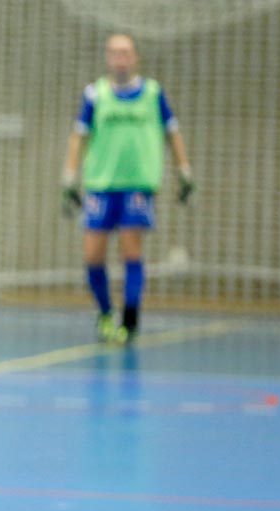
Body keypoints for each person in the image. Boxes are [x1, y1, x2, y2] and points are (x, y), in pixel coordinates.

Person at [61, 33, 195, 344]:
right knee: (93, 255)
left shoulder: (152, 93)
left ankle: (131, 319)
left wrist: (184, 171)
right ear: (108, 58)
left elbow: (172, 132)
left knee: (131, 250)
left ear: (135, 58)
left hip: (137, 184)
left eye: (126, 52)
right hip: (100, 184)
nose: (120, 58)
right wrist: (69, 177)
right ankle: (106, 313)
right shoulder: (96, 94)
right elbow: (78, 137)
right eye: (115, 53)